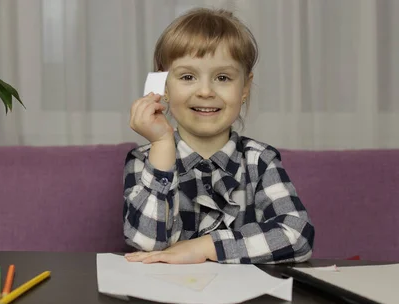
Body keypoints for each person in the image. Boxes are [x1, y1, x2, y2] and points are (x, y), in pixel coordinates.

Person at [123, 7, 314, 265]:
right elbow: (145, 242)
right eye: (188, 76)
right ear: (163, 86)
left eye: (222, 77)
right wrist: (161, 145)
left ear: (244, 87)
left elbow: (297, 235)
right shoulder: (143, 159)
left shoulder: (260, 161)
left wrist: (207, 246)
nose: (205, 91)